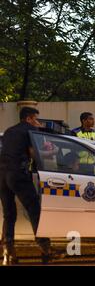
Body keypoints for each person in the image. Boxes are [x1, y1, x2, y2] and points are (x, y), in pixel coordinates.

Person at [0, 107, 62, 265]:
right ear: (28, 118)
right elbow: (34, 153)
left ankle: (8, 253)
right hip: (18, 174)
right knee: (34, 210)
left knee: (9, 214)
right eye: (35, 119)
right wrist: (53, 151)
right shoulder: (30, 130)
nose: (37, 122)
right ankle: (46, 250)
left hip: (2, 175)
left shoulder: (8, 131)